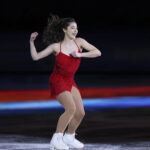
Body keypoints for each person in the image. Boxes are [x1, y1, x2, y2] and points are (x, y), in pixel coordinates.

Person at [30, 14, 101, 150]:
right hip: (58, 80)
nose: (75, 30)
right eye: (72, 28)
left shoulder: (79, 42)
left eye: (76, 28)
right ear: (64, 30)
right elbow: (35, 57)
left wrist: (80, 54)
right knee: (71, 109)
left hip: (70, 81)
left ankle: (69, 136)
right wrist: (32, 42)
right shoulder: (56, 47)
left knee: (80, 113)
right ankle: (56, 139)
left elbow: (97, 52)